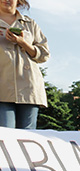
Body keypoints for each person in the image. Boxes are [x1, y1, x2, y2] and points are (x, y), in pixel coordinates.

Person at [0, 0, 48, 129]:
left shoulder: (30, 24)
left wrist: (22, 42)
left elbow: (44, 55)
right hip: (2, 87)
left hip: (29, 89)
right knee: (5, 134)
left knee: (27, 137)